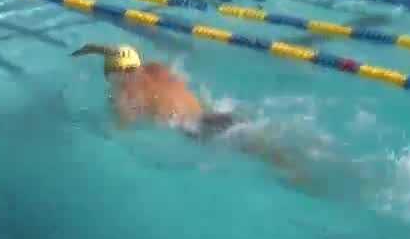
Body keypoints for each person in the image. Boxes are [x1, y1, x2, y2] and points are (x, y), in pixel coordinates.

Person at [70, 43, 318, 190]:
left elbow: (118, 131)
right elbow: (123, 59)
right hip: (216, 113)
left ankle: (308, 182)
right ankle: (303, 169)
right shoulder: (155, 68)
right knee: (268, 146)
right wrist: (94, 48)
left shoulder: (125, 93)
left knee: (266, 156)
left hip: (199, 131)